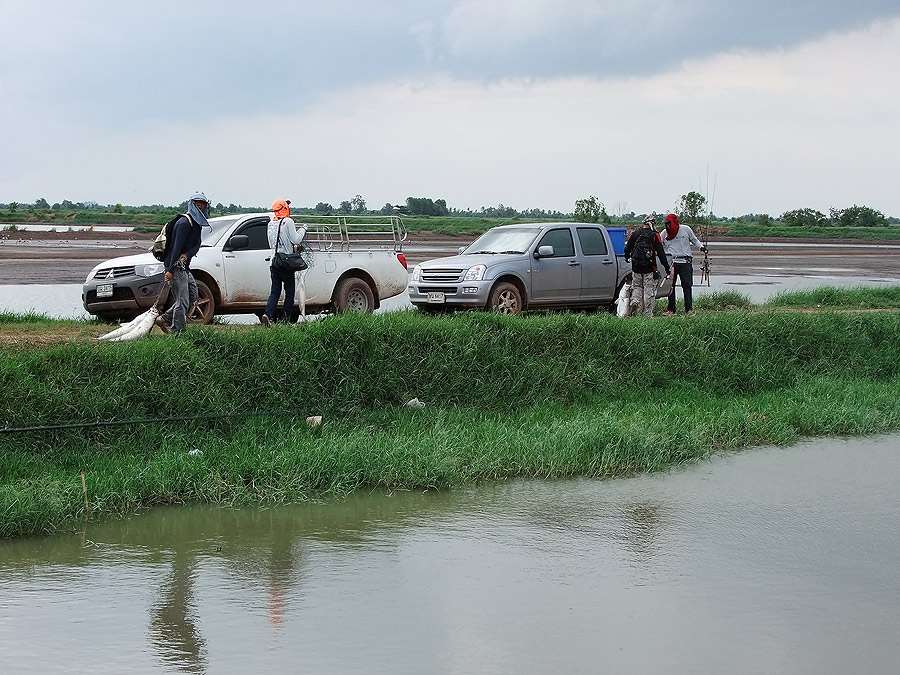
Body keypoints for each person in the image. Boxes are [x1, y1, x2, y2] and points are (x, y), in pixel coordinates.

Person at [156, 192, 209, 334]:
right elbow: (176, 248)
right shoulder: (184, 223)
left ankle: (164, 319)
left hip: (184, 267)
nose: (200, 206)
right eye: (198, 203)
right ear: (192, 204)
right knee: (183, 300)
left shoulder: (197, 223)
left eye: (203, 204)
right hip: (175, 266)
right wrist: (171, 271)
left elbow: (197, 244)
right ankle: (177, 332)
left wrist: (187, 254)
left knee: (192, 296)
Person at [262, 199, 306, 326]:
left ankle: (268, 314)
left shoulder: (271, 223)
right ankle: (285, 320)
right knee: (289, 292)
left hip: (274, 262)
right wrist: (303, 229)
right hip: (286, 263)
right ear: (285, 208)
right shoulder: (288, 221)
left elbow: (272, 243)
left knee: (275, 291)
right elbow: (296, 239)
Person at [623, 215, 671, 317]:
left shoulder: (636, 233)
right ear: (652, 224)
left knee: (637, 288)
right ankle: (647, 315)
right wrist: (667, 268)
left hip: (636, 267)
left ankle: (635, 310)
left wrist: (627, 258)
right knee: (648, 291)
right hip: (649, 268)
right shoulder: (655, 235)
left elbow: (627, 248)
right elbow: (661, 254)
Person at [659, 213, 706, 314]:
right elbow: (659, 244)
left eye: (669, 223)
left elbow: (694, 240)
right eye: (666, 224)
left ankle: (688, 309)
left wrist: (701, 247)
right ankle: (671, 309)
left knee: (687, 286)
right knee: (671, 286)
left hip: (685, 262)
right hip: (672, 264)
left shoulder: (686, 229)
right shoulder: (664, 233)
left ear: (675, 222)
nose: (668, 226)